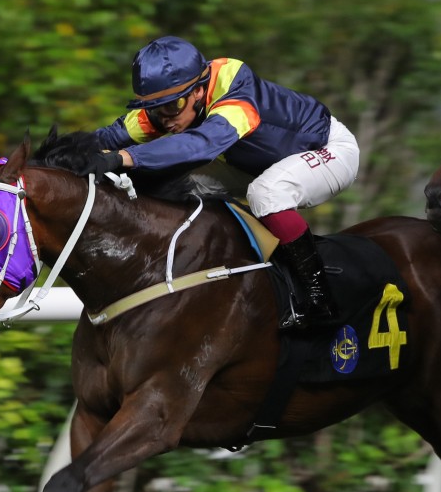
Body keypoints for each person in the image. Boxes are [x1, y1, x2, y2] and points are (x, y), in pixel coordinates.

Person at [87, 36, 360, 330]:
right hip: (258, 163)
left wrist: (123, 158)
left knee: (266, 192)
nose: (165, 119)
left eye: (173, 107)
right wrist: (68, 154)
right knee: (176, 184)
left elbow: (201, 145)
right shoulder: (175, 103)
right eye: (156, 109)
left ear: (199, 90)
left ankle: (321, 299)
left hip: (327, 150)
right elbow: (109, 137)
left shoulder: (239, 98)